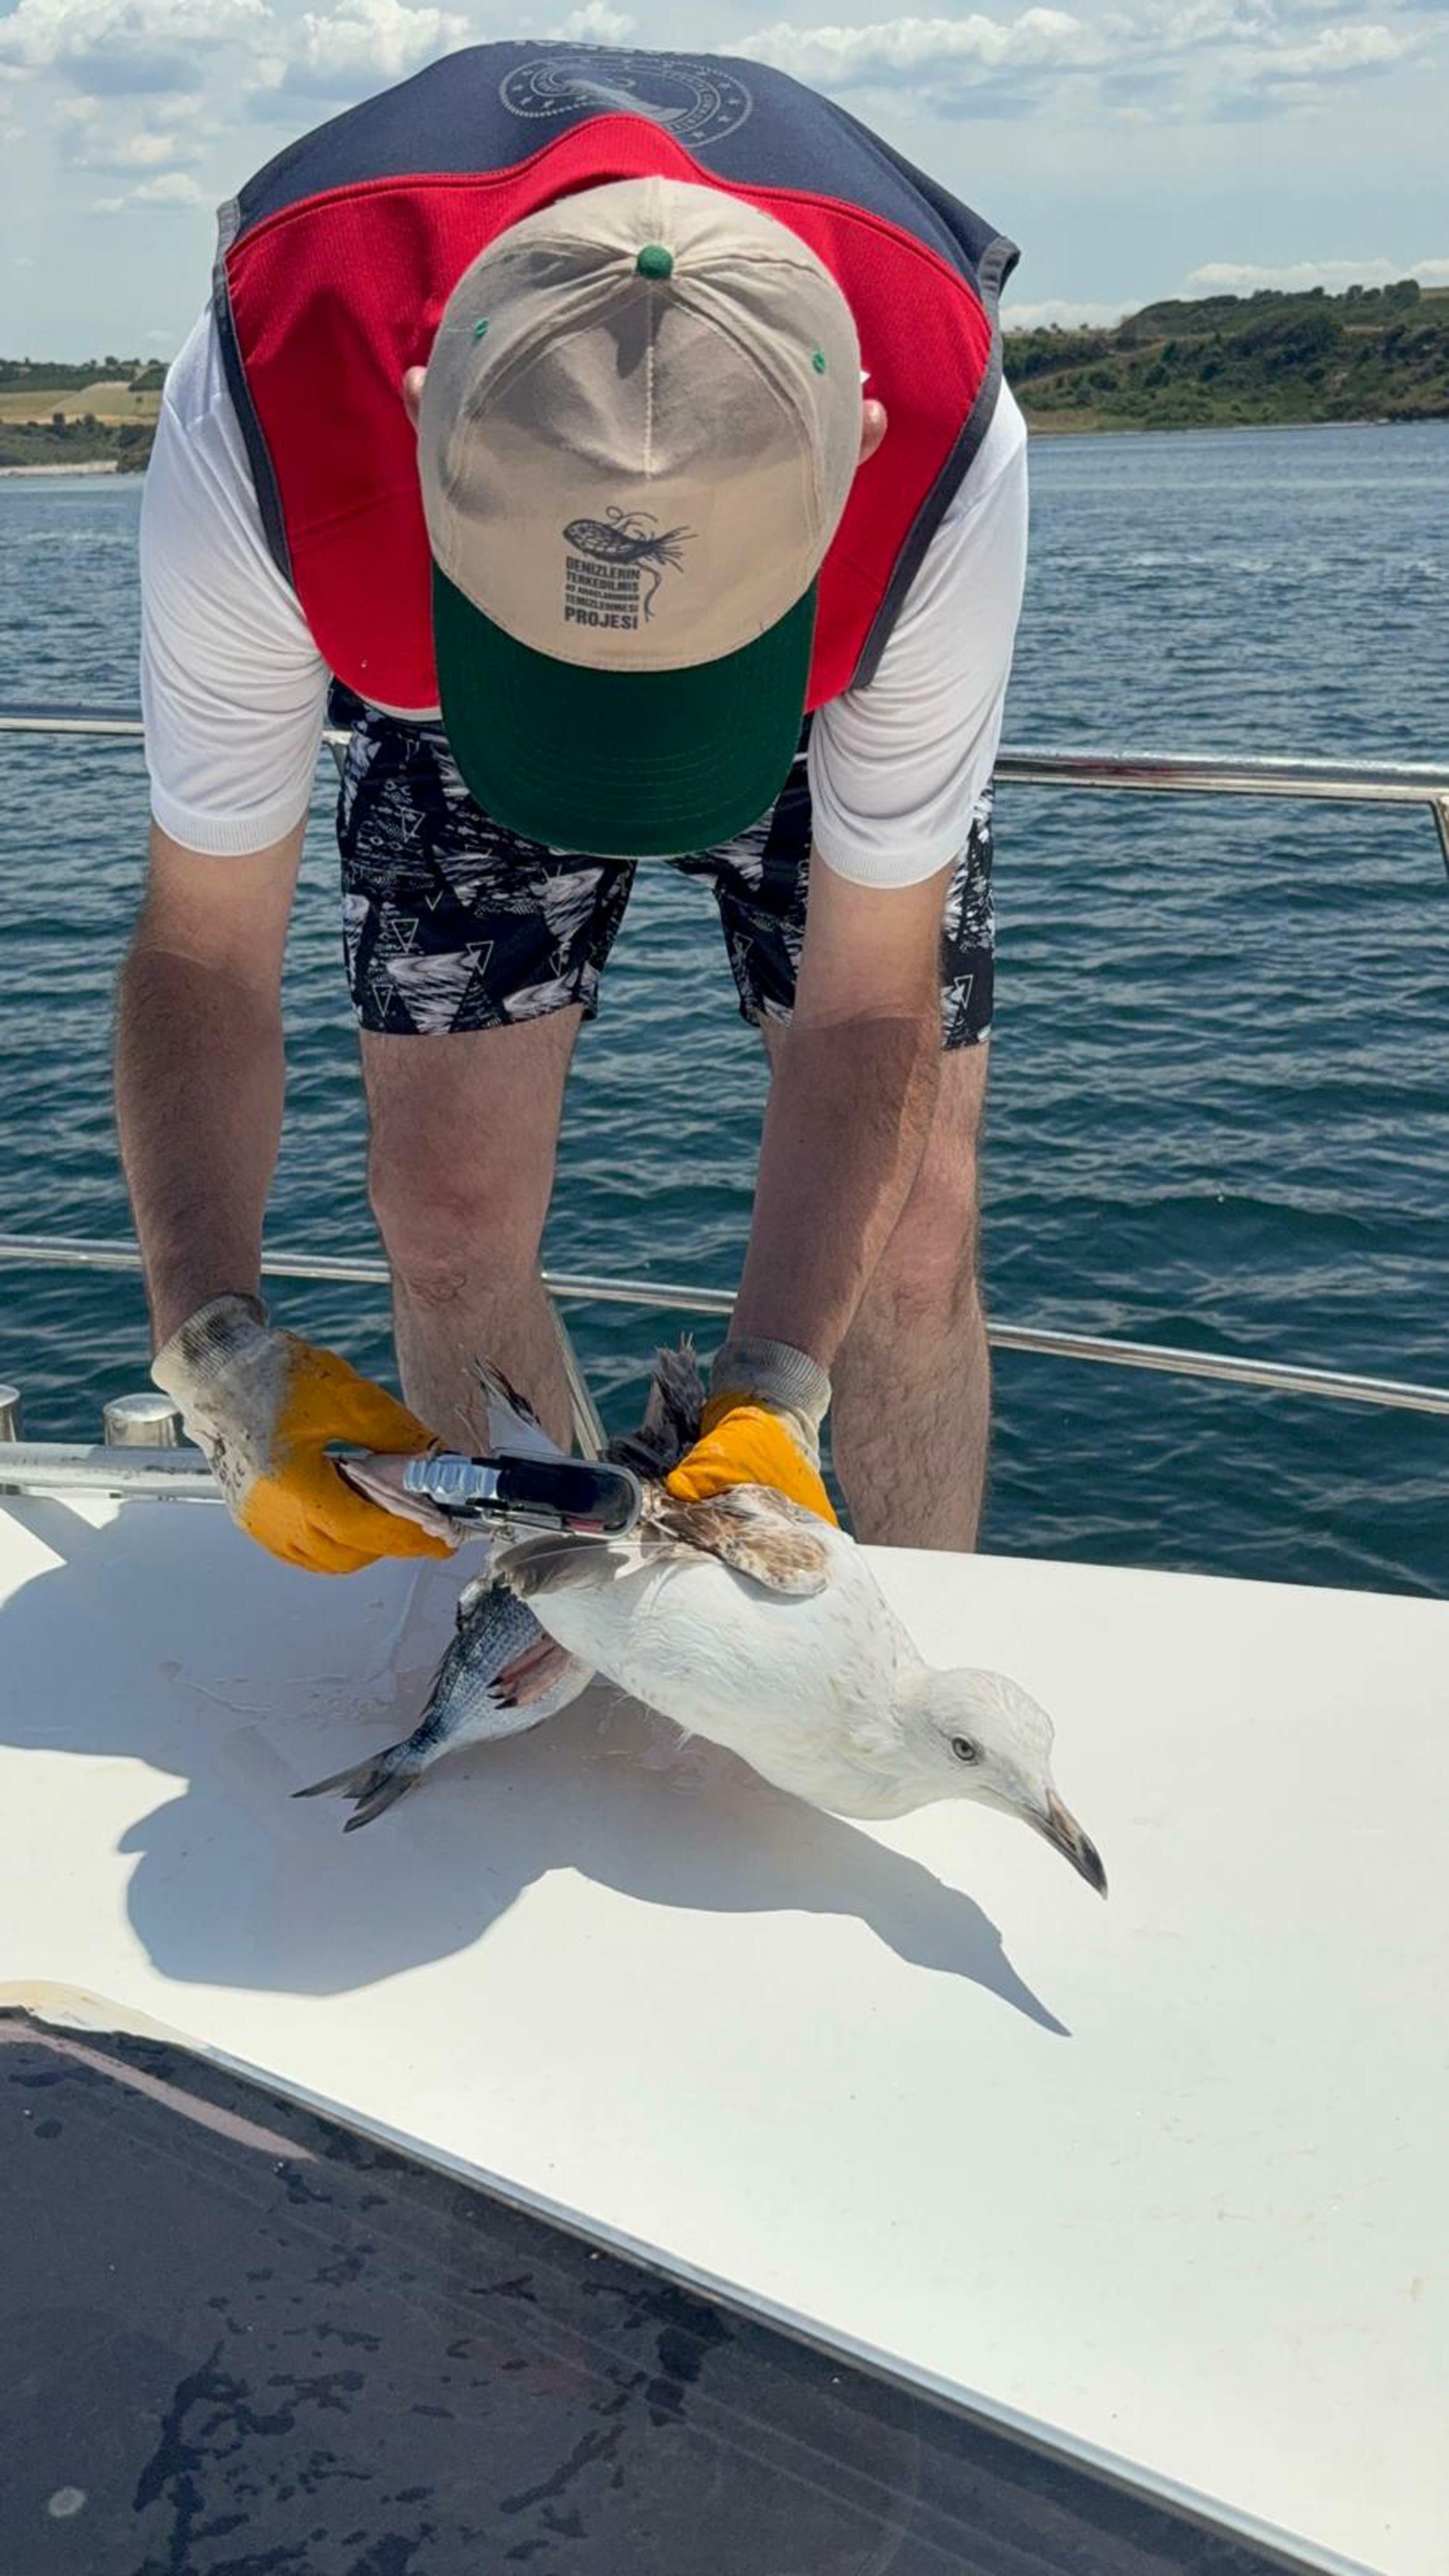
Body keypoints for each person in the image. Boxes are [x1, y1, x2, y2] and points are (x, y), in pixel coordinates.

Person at [119, 40, 1028, 1574]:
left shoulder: (947, 443)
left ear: (857, 445)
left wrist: (777, 1392)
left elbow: (869, 1006)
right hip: (443, 679)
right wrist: (213, 1352)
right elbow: (204, 951)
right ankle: (535, 1632)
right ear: (425, 420)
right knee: (445, 1211)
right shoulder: (267, 409)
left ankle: (895, 1653)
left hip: (811, 677)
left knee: (913, 1236)